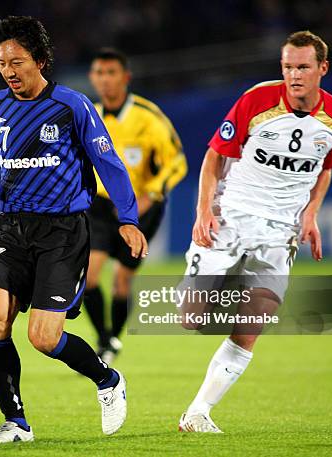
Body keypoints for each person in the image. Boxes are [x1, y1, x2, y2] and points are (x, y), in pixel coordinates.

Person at [0, 16, 148, 443]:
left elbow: (109, 164)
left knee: (43, 338)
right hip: (10, 229)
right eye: (1, 62)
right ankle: (16, 424)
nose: (9, 71)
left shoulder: (71, 106)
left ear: (41, 61)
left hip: (62, 233)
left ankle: (108, 380)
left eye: (17, 61)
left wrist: (127, 219)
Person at [177, 30, 332, 433]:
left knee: (253, 324)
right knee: (190, 318)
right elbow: (213, 157)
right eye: (288, 66)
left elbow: (324, 168)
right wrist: (204, 210)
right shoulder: (256, 100)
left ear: (322, 69)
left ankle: (198, 412)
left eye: (303, 67)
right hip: (231, 217)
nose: (294, 75)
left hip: (279, 232)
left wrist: (311, 215)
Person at [83, 48, 187, 363]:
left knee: (122, 280)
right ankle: (105, 339)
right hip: (100, 205)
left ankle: (113, 336)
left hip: (142, 206)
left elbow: (177, 162)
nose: (104, 79)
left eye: (111, 72)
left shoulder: (148, 116)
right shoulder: (90, 115)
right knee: (88, 276)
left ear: (125, 77)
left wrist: (151, 194)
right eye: (99, 73)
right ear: (92, 77)